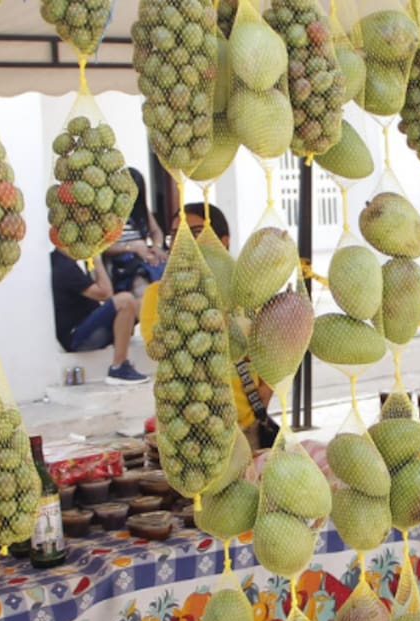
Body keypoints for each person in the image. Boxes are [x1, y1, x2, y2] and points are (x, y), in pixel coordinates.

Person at [140, 203, 277, 451]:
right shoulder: (159, 295)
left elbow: (270, 352)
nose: (183, 241)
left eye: (195, 232)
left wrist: (264, 394)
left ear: (223, 240)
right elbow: (160, 349)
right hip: (188, 433)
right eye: (175, 235)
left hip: (245, 428)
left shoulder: (247, 295)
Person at [50, 250, 149, 385]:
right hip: (76, 337)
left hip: (88, 326)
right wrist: (97, 260)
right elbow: (105, 293)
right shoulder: (64, 266)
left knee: (141, 302)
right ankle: (118, 368)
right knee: (125, 300)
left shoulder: (74, 261)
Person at [104, 167, 167, 298]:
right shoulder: (107, 214)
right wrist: (131, 247)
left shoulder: (140, 210)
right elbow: (102, 248)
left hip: (144, 256)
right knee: (142, 284)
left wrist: (157, 246)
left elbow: (156, 232)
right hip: (123, 263)